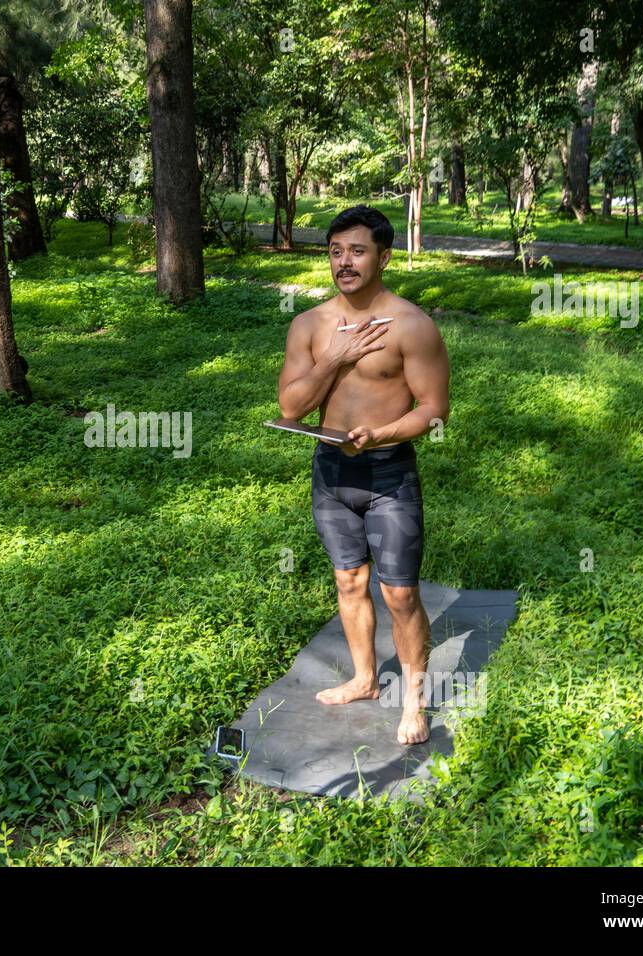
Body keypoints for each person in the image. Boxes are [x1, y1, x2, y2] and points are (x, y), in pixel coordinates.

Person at [276, 205, 450, 745]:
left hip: (388, 473)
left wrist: (381, 434)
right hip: (330, 472)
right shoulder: (309, 326)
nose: (344, 262)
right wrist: (332, 359)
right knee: (349, 581)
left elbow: (434, 409)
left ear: (383, 256)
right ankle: (365, 679)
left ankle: (414, 704)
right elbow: (289, 407)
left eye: (357, 250)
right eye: (335, 251)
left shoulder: (412, 325)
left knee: (399, 594)